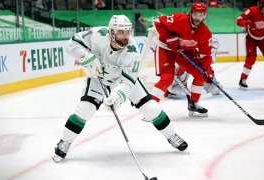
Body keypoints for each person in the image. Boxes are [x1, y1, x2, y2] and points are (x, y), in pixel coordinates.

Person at [53, 14, 188, 162]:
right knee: (85, 109)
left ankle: (172, 136)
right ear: (111, 32)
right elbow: (72, 44)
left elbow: (128, 82)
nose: (125, 36)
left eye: (127, 31)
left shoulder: (132, 51)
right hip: (99, 77)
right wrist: (86, 56)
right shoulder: (98, 34)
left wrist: (118, 96)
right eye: (121, 32)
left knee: (151, 108)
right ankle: (65, 141)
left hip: (123, 80)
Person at [150, 2, 214, 117]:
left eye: (201, 15)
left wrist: (207, 70)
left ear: (205, 16)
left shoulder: (205, 33)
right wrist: (168, 38)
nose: (197, 18)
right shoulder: (179, 19)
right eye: (195, 14)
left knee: (201, 74)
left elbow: (206, 55)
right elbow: (158, 22)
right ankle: (149, 109)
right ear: (191, 13)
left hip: (184, 51)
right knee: (167, 78)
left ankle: (194, 104)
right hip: (166, 48)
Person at [236, 0, 264, 90]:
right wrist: (247, 23)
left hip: (263, 38)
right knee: (251, 58)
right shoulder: (252, 10)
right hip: (251, 38)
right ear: (262, 4)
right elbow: (239, 20)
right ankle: (243, 79)